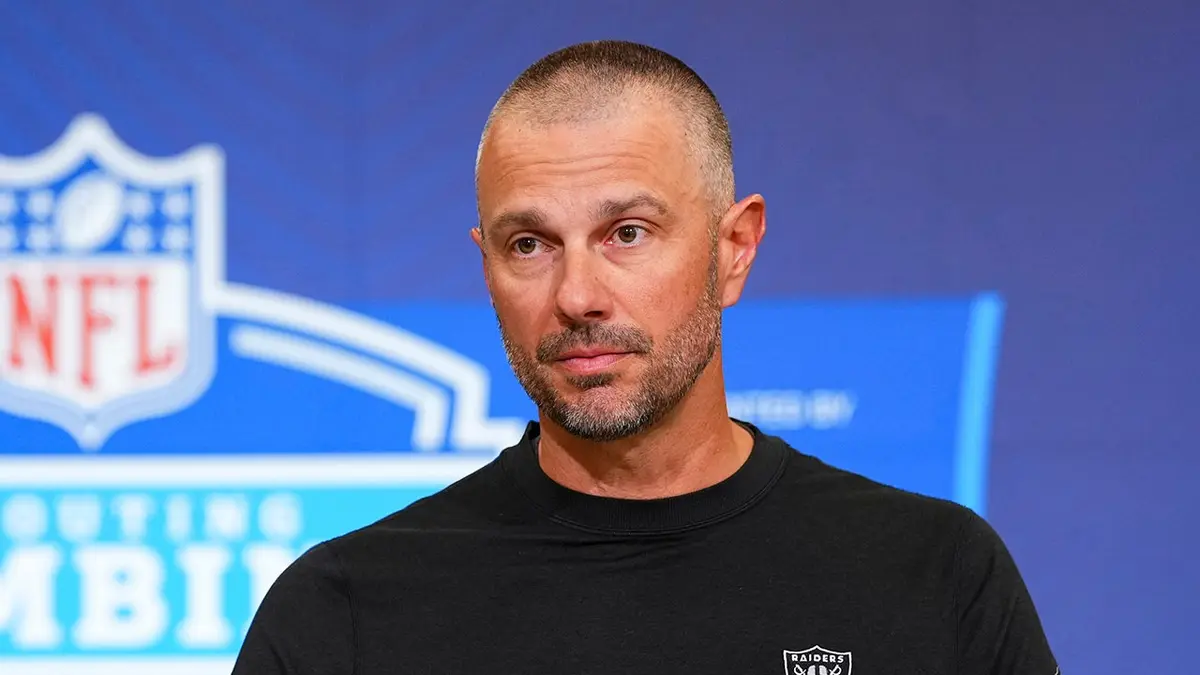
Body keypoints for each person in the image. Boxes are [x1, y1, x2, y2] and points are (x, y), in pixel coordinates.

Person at [232, 40, 1059, 674]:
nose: (577, 294)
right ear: (486, 266)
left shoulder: (934, 573)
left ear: (734, 249)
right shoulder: (345, 611)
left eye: (627, 233)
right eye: (530, 243)